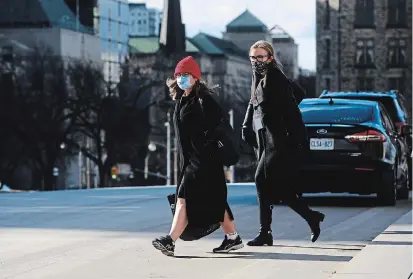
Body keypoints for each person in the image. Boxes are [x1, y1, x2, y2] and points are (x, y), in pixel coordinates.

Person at [152, 56, 244, 256]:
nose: (182, 79)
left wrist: (209, 149)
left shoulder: (203, 100)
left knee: (184, 196)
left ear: (195, 77)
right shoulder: (183, 100)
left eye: (186, 75)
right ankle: (233, 237)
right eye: (179, 75)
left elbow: (217, 128)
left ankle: (170, 240)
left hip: (204, 159)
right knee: (215, 199)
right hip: (192, 159)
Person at [241, 40, 325, 246]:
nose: (256, 61)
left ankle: (266, 232)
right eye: (253, 58)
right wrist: (246, 126)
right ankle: (309, 217)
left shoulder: (274, 78)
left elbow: (294, 111)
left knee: (262, 181)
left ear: (270, 58)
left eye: (260, 57)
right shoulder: (259, 76)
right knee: (276, 187)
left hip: (278, 141)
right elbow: (254, 103)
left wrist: (297, 140)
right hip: (265, 139)